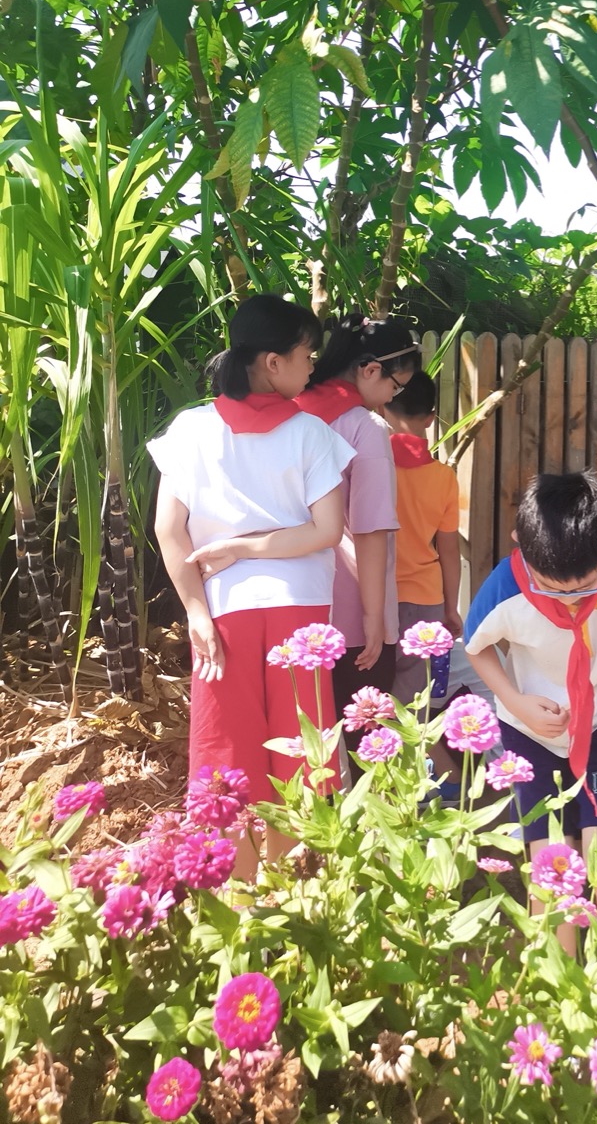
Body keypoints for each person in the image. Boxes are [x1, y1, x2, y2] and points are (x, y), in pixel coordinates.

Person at [149, 295, 352, 874]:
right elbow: (326, 531)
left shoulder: (191, 429)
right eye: (306, 354)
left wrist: (195, 609)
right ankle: (286, 893)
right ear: (271, 362)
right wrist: (251, 545)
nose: (312, 365)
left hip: (223, 612)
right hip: (302, 615)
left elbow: (169, 529)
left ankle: (238, 898)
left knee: (226, 757)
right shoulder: (312, 434)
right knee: (299, 753)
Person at [464, 471, 597, 946]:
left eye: (582, 588)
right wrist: (515, 701)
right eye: (553, 590)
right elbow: (476, 646)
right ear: (521, 545)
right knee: (551, 858)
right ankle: (558, 990)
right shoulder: (505, 587)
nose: (569, 601)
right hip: (529, 733)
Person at [297, 314, 420, 737]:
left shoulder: (292, 415)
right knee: (361, 738)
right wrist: (374, 618)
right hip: (350, 607)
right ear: (370, 370)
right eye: (395, 385)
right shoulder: (364, 427)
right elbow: (369, 530)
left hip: (294, 603)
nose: (390, 397)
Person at [384, 369, 464, 706]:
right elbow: (448, 549)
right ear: (432, 418)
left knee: (368, 697)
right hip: (427, 598)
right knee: (412, 704)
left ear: (381, 409)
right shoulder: (444, 477)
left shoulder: (369, 466)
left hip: (376, 595)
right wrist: (451, 607)